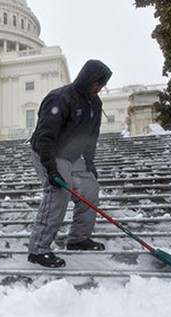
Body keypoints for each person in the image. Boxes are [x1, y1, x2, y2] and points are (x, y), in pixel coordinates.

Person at [27, 59, 113, 268]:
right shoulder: (59, 98)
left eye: (102, 85)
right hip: (48, 152)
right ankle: (38, 249)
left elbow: (92, 136)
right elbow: (44, 136)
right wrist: (51, 169)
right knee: (58, 192)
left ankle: (78, 239)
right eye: (97, 83)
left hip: (73, 156)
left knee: (90, 189)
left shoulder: (95, 103)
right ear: (87, 79)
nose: (99, 88)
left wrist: (90, 164)